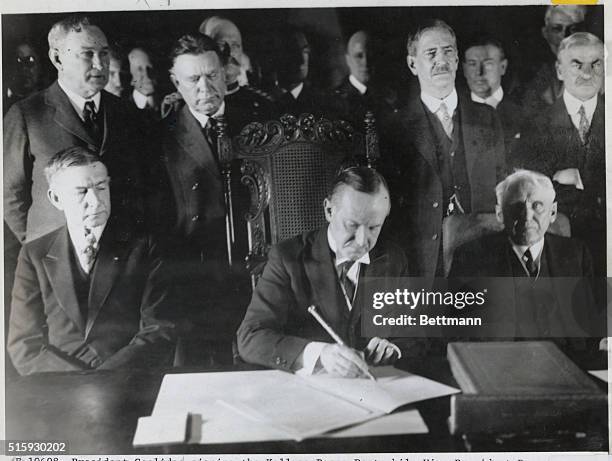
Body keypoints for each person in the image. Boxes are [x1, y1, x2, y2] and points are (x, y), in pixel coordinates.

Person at [7, 147, 176, 376]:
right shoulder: (34, 255)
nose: (95, 202)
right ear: (56, 198)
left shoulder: (145, 246)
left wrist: (105, 380)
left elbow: (160, 330)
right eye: (81, 192)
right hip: (59, 386)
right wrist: (79, 383)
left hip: (128, 380)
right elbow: (24, 346)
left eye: (101, 187)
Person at [237, 166, 407, 377]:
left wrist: (393, 347)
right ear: (329, 211)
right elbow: (250, 337)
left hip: (376, 389)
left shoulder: (393, 259)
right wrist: (318, 354)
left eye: (373, 227)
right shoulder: (288, 258)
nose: (363, 241)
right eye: (352, 225)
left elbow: (413, 333)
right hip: (308, 395)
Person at [4, 14, 146, 245]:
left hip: (119, 255)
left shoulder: (127, 113)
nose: (100, 64)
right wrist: (38, 247)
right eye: (88, 54)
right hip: (53, 258)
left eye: (104, 53)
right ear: (57, 59)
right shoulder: (26, 115)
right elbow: (9, 196)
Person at [383, 19, 505, 278]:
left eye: (448, 51)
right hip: (425, 260)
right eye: (431, 53)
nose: (442, 60)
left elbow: (502, 185)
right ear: (413, 64)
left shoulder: (486, 117)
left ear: (458, 59)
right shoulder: (395, 128)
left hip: (483, 253)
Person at [448, 170, 602, 340]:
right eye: (517, 207)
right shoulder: (471, 257)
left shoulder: (577, 254)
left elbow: (591, 329)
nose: (527, 217)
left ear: (553, 212)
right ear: (500, 214)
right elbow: (457, 334)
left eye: (538, 206)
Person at [516, 32, 605, 275]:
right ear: (559, 70)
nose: (587, 73)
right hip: (561, 249)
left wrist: (571, 178)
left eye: (596, 64)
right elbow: (534, 193)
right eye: (576, 64)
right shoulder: (535, 126)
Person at [462, 35, 523, 158]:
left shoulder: (525, 110)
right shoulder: (454, 114)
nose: (479, 72)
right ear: (464, 69)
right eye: (472, 64)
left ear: (503, 67)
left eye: (488, 64)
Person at [521, 5, 587, 115]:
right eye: (557, 29)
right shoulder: (534, 75)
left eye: (573, 29)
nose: (565, 36)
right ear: (545, 33)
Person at [330, 30, 399, 130]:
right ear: (348, 60)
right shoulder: (336, 100)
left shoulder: (388, 94)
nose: (365, 62)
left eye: (370, 54)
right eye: (359, 56)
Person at [273, 27, 327, 118]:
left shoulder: (322, 104)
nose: (302, 60)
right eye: (293, 52)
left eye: (305, 51)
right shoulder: (262, 102)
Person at [3, 41, 45, 114]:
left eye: (30, 61)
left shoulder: (48, 103)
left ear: (39, 66)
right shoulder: (6, 105)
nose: (24, 68)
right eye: (18, 62)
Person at [127, 47, 160, 118]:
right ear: (130, 77)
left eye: (149, 68)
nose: (147, 75)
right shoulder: (123, 108)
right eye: (140, 69)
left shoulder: (171, 105)